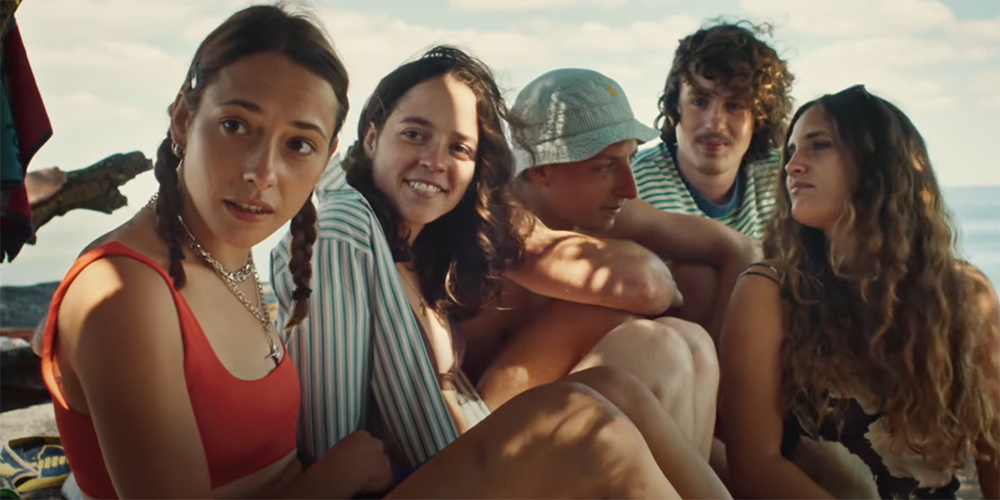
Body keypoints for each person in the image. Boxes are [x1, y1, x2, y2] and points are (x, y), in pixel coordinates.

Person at [272, 46, 732, 499]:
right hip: (435, 473)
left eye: (459, 147)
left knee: (619, 385)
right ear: (372, 137)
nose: (435, 160)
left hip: (466, 447)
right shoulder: (346, 227)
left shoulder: (418, 246)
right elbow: (332, 447)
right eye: (415, 134)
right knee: (600, 414)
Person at [36, 6, 394, 500]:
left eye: (298, 145)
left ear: (326, 159)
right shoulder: (124, 291)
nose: (261, 173)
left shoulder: (226, 255)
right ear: (183, 120)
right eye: (235, 125)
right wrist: (336, 477)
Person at [460, 68, 758, 462]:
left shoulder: (596, 209)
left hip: (558, 421)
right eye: (605, 166)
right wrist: (653, 285)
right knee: (650, 341)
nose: (629, 187)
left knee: (693, 339)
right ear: (542, 169)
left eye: (630, 160)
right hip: (483, 446)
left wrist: (722, 397)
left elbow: (741, 249)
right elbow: (646, 287)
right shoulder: (499, 225)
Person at [720, 85, 1000, 500]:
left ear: (876, 163)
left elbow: (994, 444)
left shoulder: (963, 293)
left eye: (819, 145)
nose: (792, 165)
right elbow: (754, 467)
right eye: (791, 151)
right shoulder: (770, 292)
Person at [631, 21, 794, 240]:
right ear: (674, 106)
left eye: (734, 105)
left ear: (761, 116)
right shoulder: (631, 185)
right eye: (699, 102)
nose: (715, 125)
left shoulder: (786, 177)